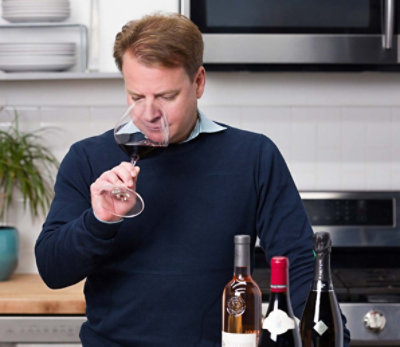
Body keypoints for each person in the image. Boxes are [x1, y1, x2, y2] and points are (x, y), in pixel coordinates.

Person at [35, 13, 350, 346]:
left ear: (198, 82)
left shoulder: (254, 156)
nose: (149, 114)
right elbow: (54, 271)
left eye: (166, 96)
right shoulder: (88, 158)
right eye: (136, 97)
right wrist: (99, 221)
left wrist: (330, 333)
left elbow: (296, 264)